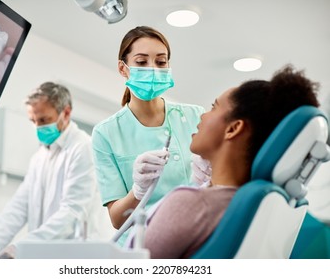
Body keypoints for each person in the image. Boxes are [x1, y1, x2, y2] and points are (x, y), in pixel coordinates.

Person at [133, 64, 320, 258]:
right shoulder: (253, 209)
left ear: (233, 128)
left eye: (214, 107)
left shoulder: (192, 204)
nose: (203, 115)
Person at [91, 26, 210, 246]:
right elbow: (118, 219)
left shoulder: (195, 116)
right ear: (123, 68)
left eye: (161, 62)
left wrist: (213, 176)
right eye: (142, 62)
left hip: (195, 236)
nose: (153, 69)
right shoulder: (105, 133)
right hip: (142, 246)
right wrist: (138, 190)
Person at [0, 82, 112, 259]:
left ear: (66, 113)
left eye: (43, 120)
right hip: (48, 255)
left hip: (80, 257)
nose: (37, 127)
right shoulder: (39, 157)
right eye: (33, 121)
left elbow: (72, 212)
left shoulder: (83, 148)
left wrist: (21, 247)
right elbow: (20, 205)